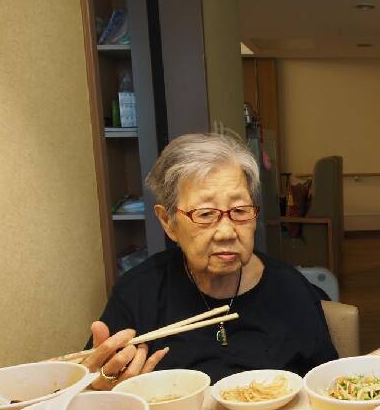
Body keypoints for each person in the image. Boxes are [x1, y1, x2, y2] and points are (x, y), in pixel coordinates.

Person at [83, 133, 338, 390]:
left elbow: (326, 387)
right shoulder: (138, 293)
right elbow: (91, 389)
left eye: (239, 211)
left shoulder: (291, 289)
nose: (227, 232)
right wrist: (102, 388)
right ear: (168, 223)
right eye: (205, 214)